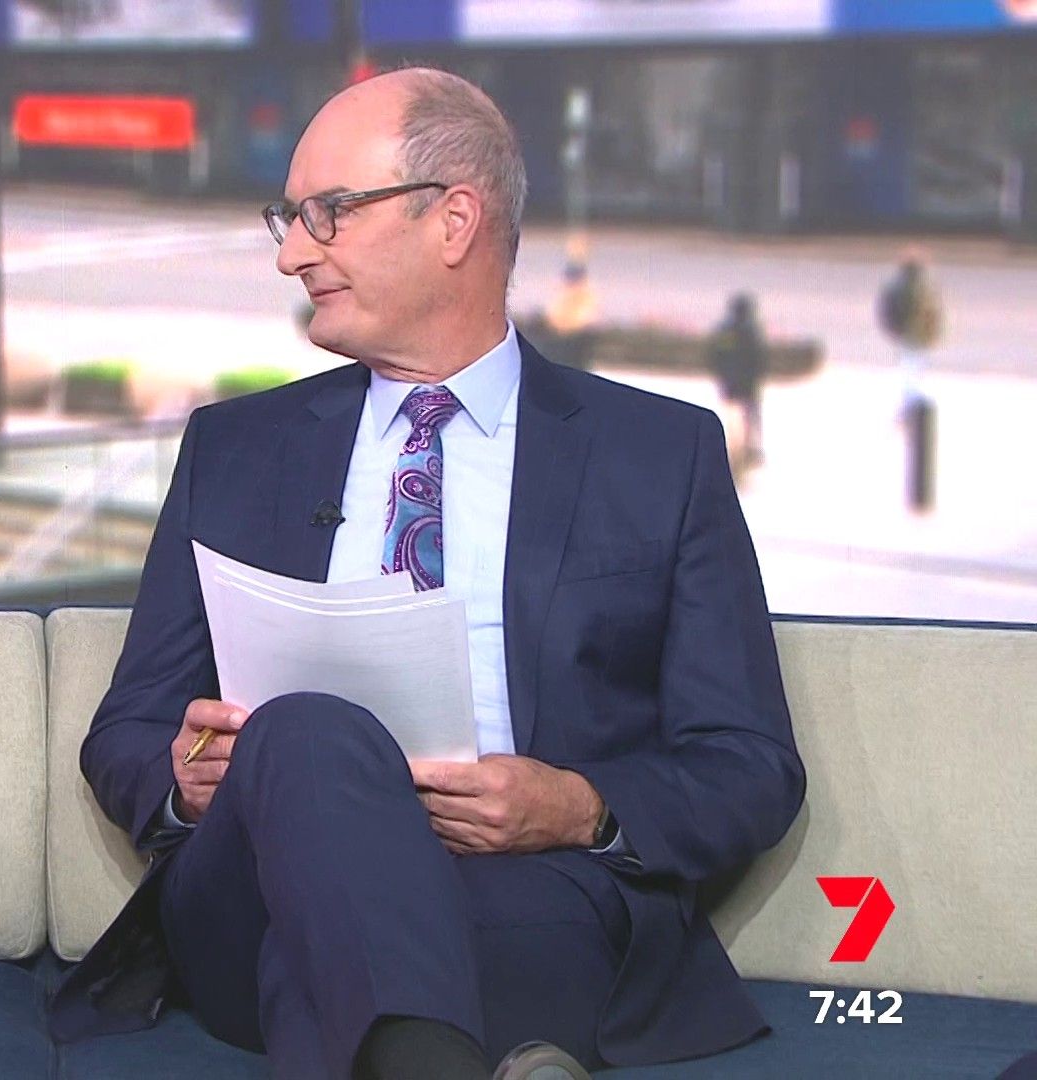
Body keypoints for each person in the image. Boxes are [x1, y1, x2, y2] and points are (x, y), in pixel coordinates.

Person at [52, 68, 804, 1080]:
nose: (290, 252)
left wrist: (576, 805)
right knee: (307, 728)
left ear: (454, 221)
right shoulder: (236, 450)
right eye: (288, 217)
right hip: (259, 883)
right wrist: (183, 782)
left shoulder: (657, 456)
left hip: (525, 886)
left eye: (329, 212)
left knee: (374, 961)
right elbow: (126, 732)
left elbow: (749, 767)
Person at [706, 291, 769, 471]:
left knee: (736, 417)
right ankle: (748, 448)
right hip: (746, 383)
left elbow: (716, 356)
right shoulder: (751, 332)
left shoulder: (727, 332)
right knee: (749, 416)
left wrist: (723, 375)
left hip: (732, 383)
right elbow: (759, 359)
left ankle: (737, 447)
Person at [877, 250, 943, 414]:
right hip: (917, 335)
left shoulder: (898, 286)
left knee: (910, 368)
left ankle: (909, 405)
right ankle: (910, 406)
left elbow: (887, 310)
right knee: (915, 368)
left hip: (908, 335)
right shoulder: (923, 286)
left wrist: (894, 330)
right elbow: (933, 312)